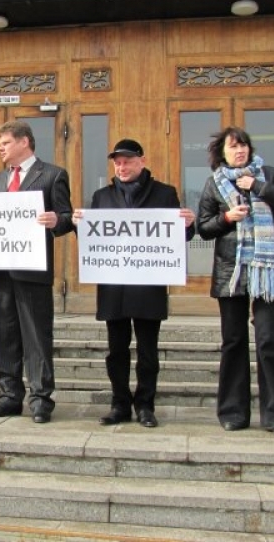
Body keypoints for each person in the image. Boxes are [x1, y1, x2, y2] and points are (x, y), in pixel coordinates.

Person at [73, 139, 195, 428]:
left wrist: (189, 225)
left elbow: (178, 238)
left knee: (148, 351)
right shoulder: (102, 196)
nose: (122, 166)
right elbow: (94, 242)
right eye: (117, 161)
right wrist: (81, 227)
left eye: (127, 161)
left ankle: (145, 405)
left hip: (148, 285)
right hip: (114, 286)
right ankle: (119, 404)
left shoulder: (165, 194)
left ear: (141, 160)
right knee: (116, 351)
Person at [197, 126, 274, 436]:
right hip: (231, 272)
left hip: (267, 272)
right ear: (222, 154)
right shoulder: (213, 184)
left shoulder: (268, 174)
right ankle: (233, 412)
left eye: (243, 145)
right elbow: (203, 228)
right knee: (234, 342)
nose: (239, 151)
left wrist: (259, 187)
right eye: (232, 147)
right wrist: (227, 219)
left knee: (270, 341)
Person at [0, 120, 74, 423]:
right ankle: (9, 396)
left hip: (33, 271)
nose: (0, 148)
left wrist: (56, 221)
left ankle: (40, 398)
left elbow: (66, 217)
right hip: (0, 271)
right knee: (4, 337)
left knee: (36, 337)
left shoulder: (52, 175)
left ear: (24, 142)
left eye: (5, 143)